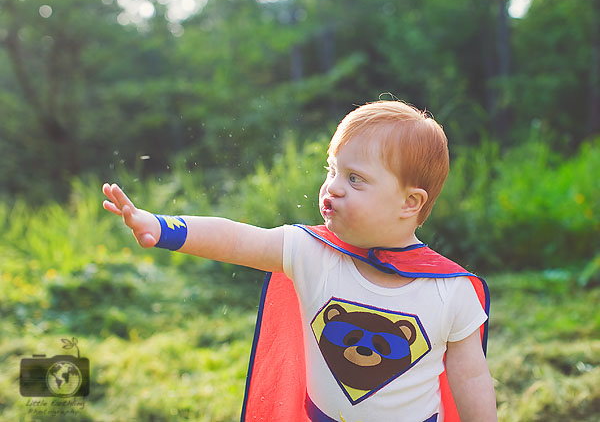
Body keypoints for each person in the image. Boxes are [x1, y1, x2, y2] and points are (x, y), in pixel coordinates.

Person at [102, 100, 497, 421]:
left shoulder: (450, 290)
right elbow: (238, 239)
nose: (333, 187)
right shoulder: (311, 252)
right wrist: (162, 227)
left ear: (409, 203)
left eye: (355, 178)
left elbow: (471, 377)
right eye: (332, 170)